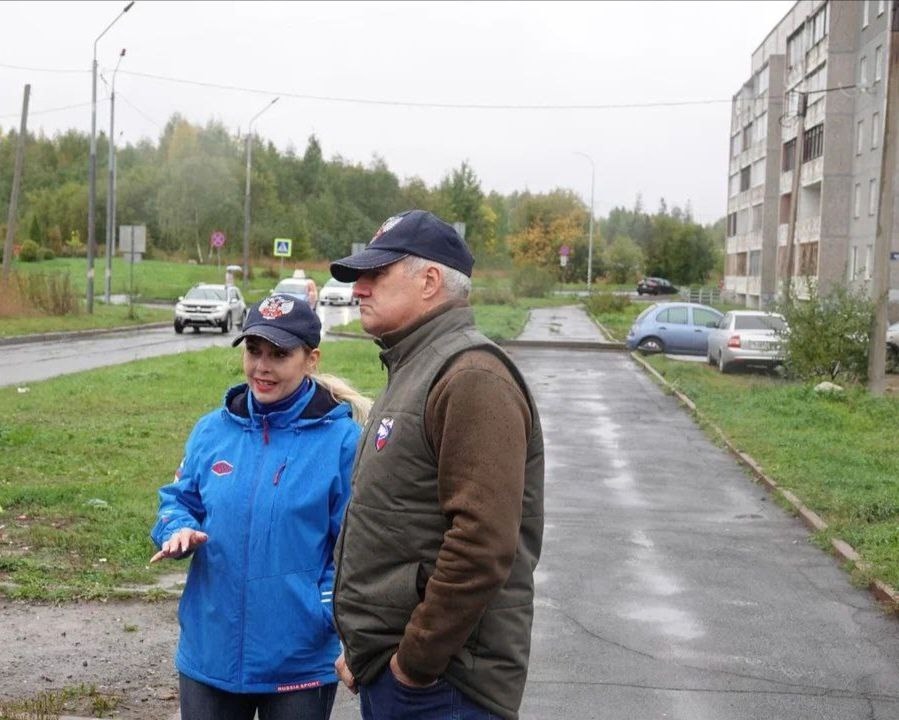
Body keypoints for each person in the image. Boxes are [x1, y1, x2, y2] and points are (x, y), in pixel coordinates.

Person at [329, 209, 545, 720]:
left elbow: (482, 545)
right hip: (401, 674)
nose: (359, 289)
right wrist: (369, 646)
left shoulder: (471, 375)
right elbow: (395, 520)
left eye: (376, 274)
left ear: (429, 281)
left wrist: (413, 662)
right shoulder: (415, 364)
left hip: (445, 687)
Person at [150, 295, 369, 720]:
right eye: (254, 351)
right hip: (208, 655)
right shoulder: (213, 429)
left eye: (279, 355)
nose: (262, 367)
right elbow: (178, 498)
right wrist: (176, 526)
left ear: (311, 359)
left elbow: (355, 549)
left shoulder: (342, 443)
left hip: (299, 664)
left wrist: (321, 608)